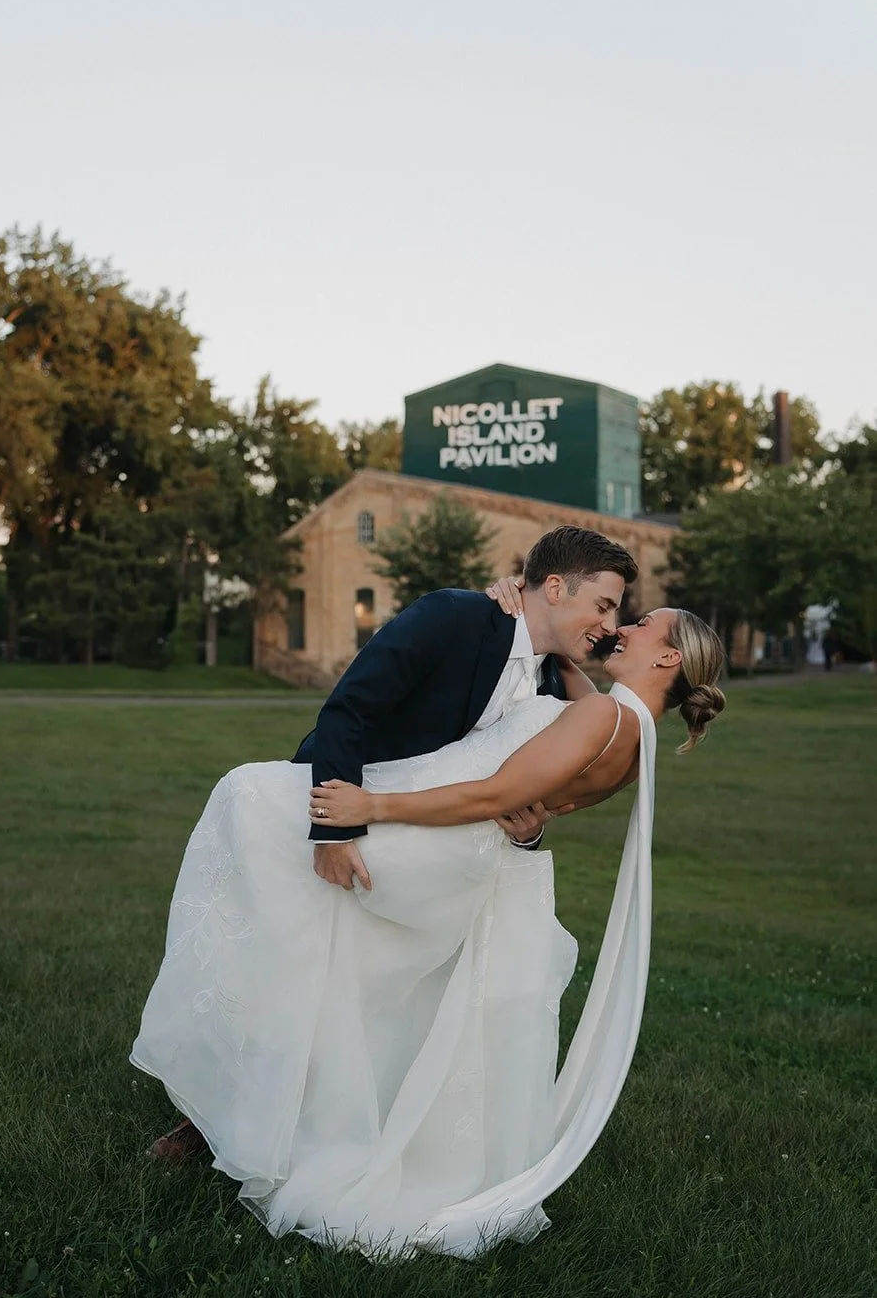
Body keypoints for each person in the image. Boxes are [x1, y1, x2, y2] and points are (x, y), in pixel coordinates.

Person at [130, 588, 725, 1257]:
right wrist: (522, 601)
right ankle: (256, 1110)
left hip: (431, 836)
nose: (622, 627)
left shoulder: (600, 720)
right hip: (468, 856)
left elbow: (496, 795)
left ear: (668, 655)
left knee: (250, 799)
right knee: (341, 971)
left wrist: (368, 807)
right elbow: (549, 750)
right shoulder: (629, 734)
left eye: (639, 625)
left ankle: (241, 1104)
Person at [295, 525, 639, 891]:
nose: (610, 626)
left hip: (416, 872)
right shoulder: (453, 616)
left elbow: (500, 793)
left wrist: (527, 833)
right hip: (324, 818)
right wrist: (332, 835)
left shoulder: (553, 686)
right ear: (555, 588)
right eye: (603, 607)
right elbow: (350, 709)